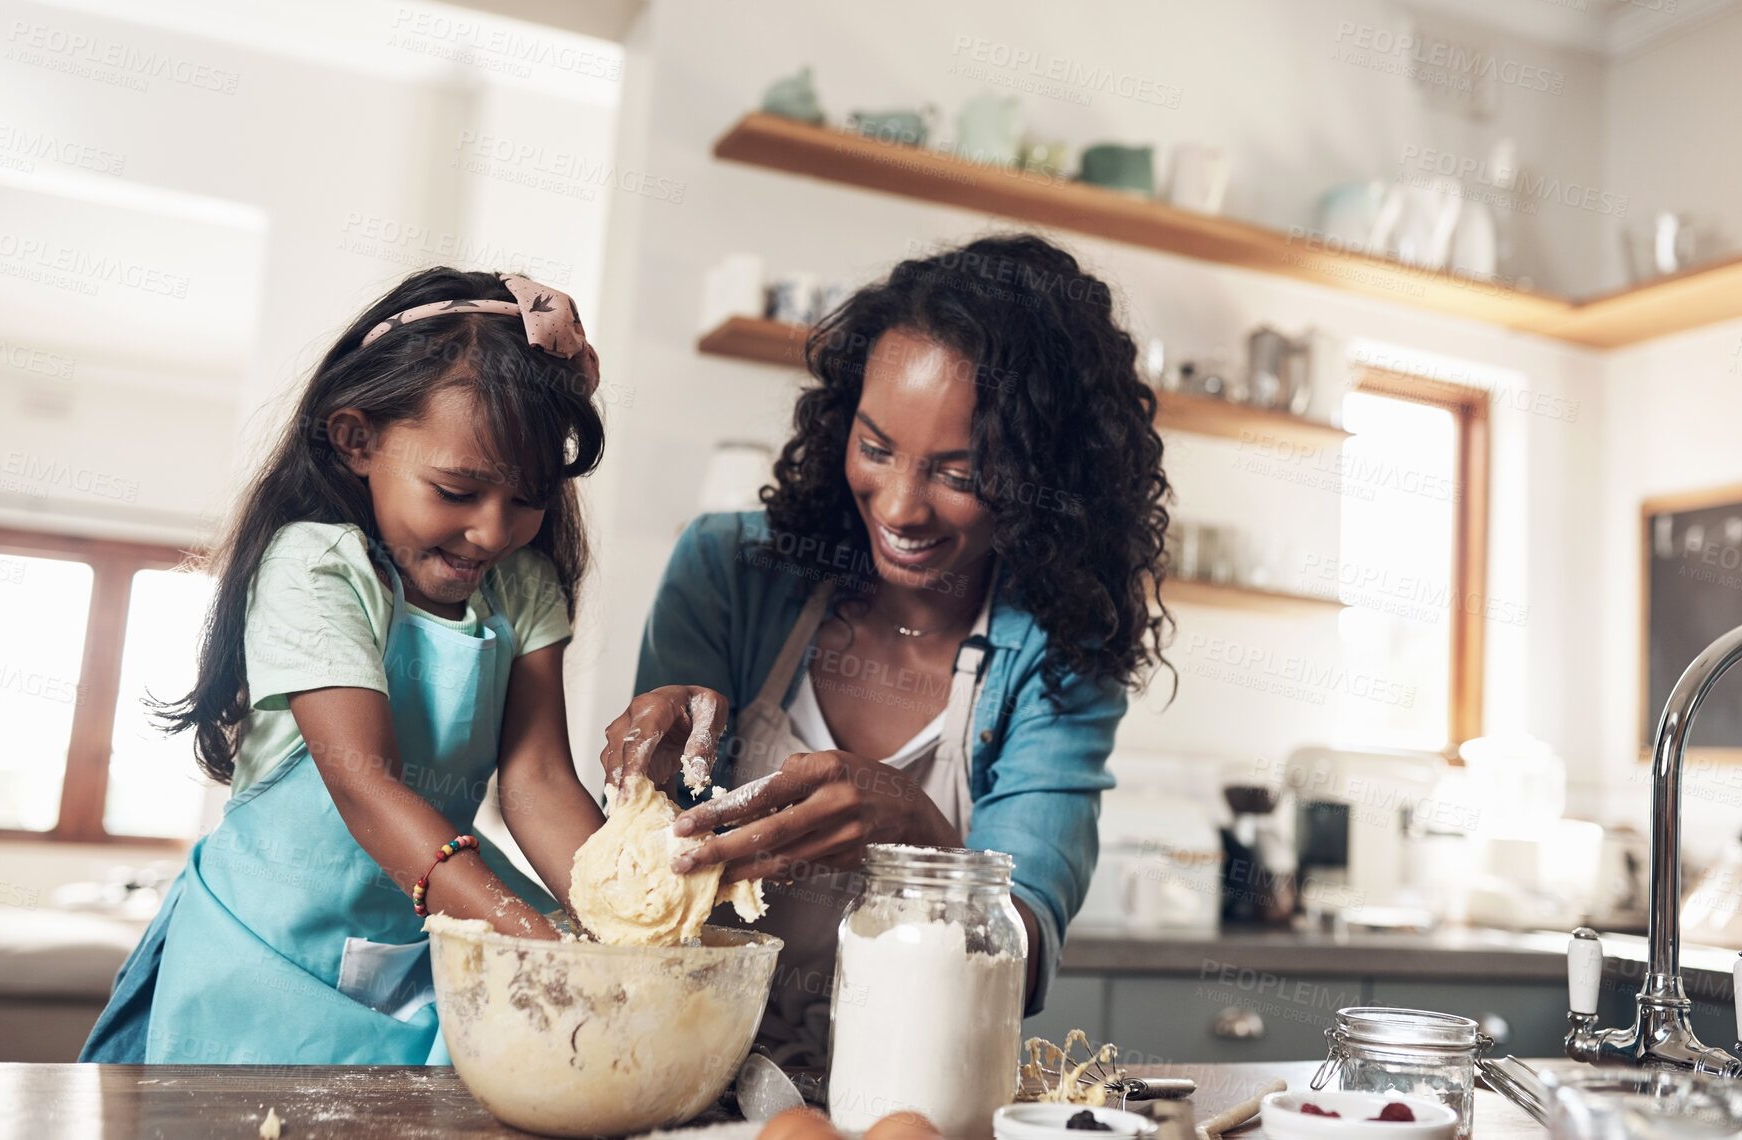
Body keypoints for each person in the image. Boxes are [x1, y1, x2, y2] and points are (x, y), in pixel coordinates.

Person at [607, 234, 1175, 1065]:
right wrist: (647, 770)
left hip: (918, 1090)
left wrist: (921, 835)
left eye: (960, 472)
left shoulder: (1056, 654)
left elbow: (1022, 949)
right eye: (875, 449)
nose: (902, 506)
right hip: (686, 1068)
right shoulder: (729, 572)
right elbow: (654, 839)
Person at [80, 268, 608, 1065]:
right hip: (257, 962)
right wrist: (531, 937)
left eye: (526, 498)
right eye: (457, 489)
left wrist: (627, 927)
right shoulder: (315, 568)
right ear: (357, 439)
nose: (492, 532)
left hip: (417, 953)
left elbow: (538, 784)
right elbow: (368, 787)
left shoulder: (523, 587)